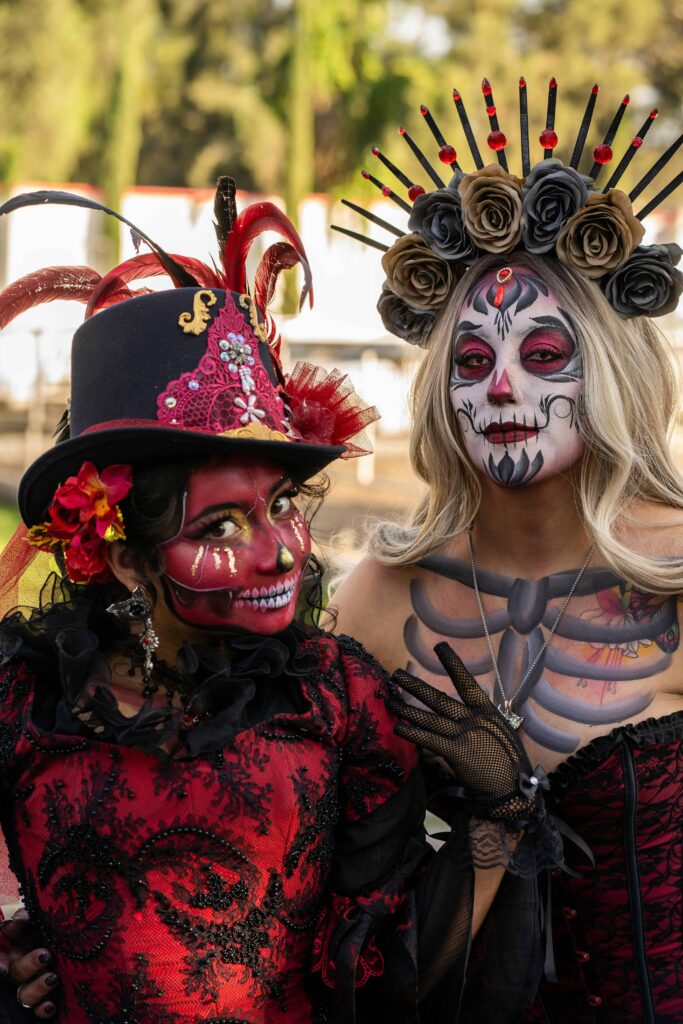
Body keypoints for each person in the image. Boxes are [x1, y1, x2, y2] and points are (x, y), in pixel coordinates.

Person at [0, 181, 556, 1022]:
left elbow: (394, 970)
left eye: (284, 508)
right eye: (222, 523)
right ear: (123, 559)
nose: (278, 550)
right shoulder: (22, 698)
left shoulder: (336, 699)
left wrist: (500, 809)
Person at [331, 78, 683, 1022]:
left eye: (541, 354)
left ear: (605, 369)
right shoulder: (377, 599)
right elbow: (361, 948)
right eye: (474, 362)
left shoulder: (679, 575)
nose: (500, 390)